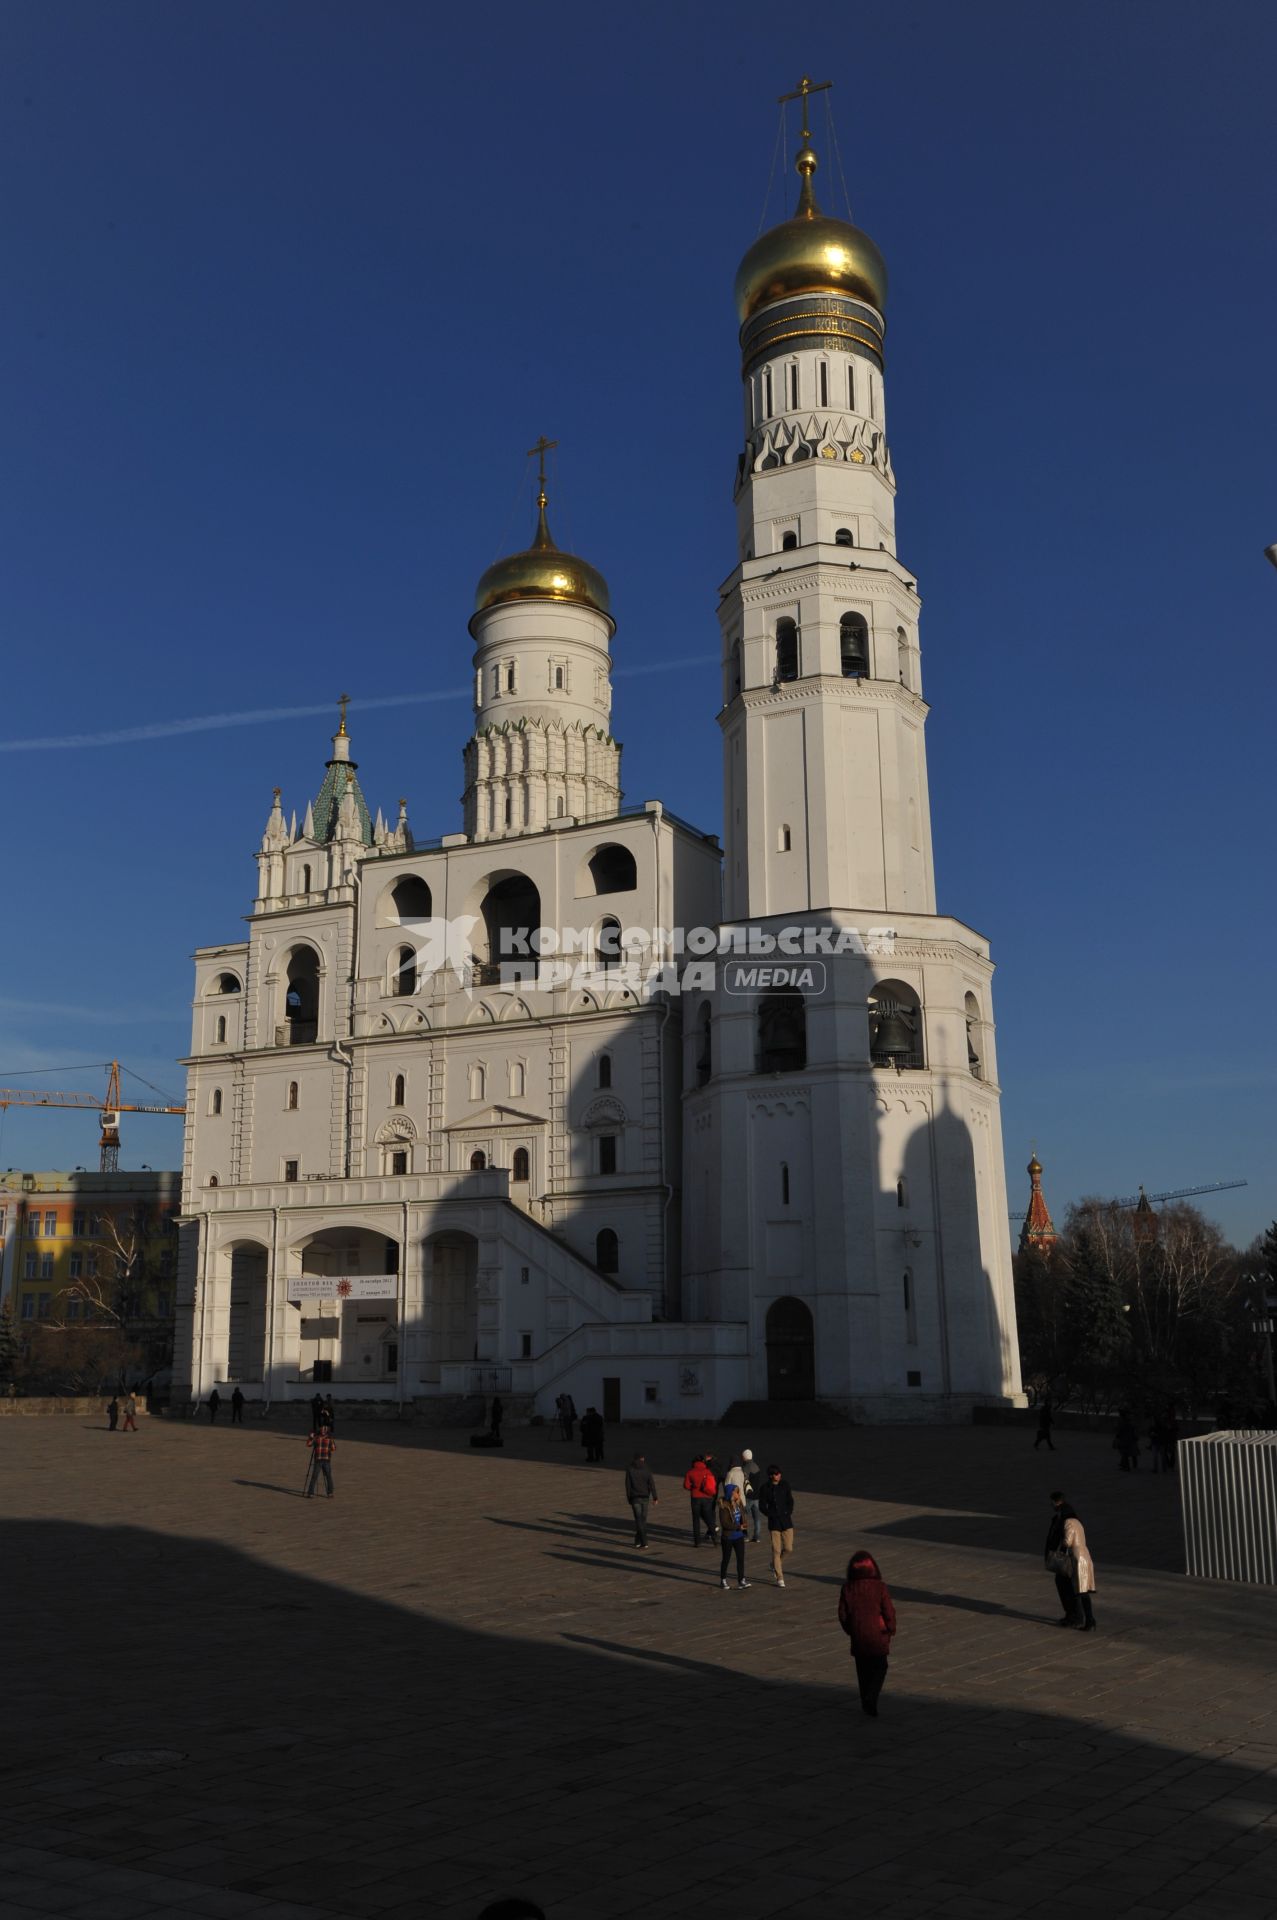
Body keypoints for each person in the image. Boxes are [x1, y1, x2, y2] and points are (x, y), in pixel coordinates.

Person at [837, 1550, 897, 1716]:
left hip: (858, 1635)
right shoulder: (880, 1587)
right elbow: (888, 1611)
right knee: (880, 1667)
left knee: (862, 1671)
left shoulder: (848, 1588)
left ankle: (866, 1701)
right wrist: (891, 1629)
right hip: (878, 1634)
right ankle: (872, 1697)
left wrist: (851, 1629)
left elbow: (842, 1614)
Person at [1044, 1490, 1080, 1625]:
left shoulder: (1066, 1516)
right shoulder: (1065, 1513)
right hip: (1064, 1556)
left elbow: (1066, 1538)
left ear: (1055, 1501)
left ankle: (1073, 1615)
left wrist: (1060, 1552)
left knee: (1065, 1586)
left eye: (1051, 1502)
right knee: (1064, 1585)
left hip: (1065, 1557)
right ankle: (1072, 1614)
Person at [759, 1465, 795, 1586]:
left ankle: (774, 1564)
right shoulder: (765, 1488)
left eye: (779, 1473)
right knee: (776, 1550)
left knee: (789, 1548)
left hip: (786, 1520)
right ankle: (780, 1577)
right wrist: (770, 1514)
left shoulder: (785, 1485)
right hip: (774, 1522)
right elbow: (762, 1505)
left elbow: (790, 1500)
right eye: (776, 1473)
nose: (779, 1475)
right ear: (771, 1476)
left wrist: (788, 1511)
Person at [1063, 1511, 1098, 1631]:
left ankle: (1086, 1619)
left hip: (1077, 1557)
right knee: (1084, 1591)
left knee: (1079, 1591)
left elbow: (1068, 1541)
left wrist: (1061, 1542)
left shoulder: (1068, 1522)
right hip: (1085, 1555)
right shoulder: (1079, 1523)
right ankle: (1090, 1620)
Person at [716, 1480, 751, 1590]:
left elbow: (742, 1516)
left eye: (738, 1492)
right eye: (736, 1492)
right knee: (726, 1559)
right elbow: (725, 1524)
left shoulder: (739, 1503)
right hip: (728, 1537)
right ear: (730, 1493)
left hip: (739, 1536)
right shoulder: (723, 1507)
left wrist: (744, 1524)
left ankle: (741, 1580)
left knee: (741, 1558)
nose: (738, 1494)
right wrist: (738, 1527)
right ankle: (723, 1579)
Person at [682, 1454, 719, 1547]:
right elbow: (712, 1483)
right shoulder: (707, 1471)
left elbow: (686, 1485)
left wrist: (693, 1487)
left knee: (696, 1520)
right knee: (709, 1518)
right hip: (707, 1498)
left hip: (695, 1498)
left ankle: (697, 1542)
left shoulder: (690, 1472)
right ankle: (715, 1539)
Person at [625, 1453, 658, 1547]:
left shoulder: (630, 1469)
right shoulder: (647, 1469)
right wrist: (655, 1497)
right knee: (642, 1520)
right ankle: (643, 1541)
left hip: (635, 1498)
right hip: (645, 1497)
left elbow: (627, 1486)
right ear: (642, 1458)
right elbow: (651, 1484)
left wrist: (629, 1498)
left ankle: (639, 1541)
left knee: (639, 1520)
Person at [306, 1424, 336, 1498]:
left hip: (326, 1460)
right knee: (314, 1476)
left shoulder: (329, 1439)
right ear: (320, 1430)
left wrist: (332, 1442)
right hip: (318, 1460)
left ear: (327, 1431)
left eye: (325, 1430)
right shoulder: (316, 1438)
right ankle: (310, 1493)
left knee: (328, 1476)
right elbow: (308, 1444)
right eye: (322, 1429)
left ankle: (330, 1492)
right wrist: (311, 1437)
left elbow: (333, 1449)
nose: (323, 1431)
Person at [741, 1449, 763, 1542]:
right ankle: (757, 1536)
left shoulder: (746, 1468)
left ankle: (745, 1535)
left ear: (744, 1457)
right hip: (757, 1496)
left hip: (748, 1496)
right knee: (757, 1518)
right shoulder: (756, 1466)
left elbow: (744, 1481)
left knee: (743, 1516)